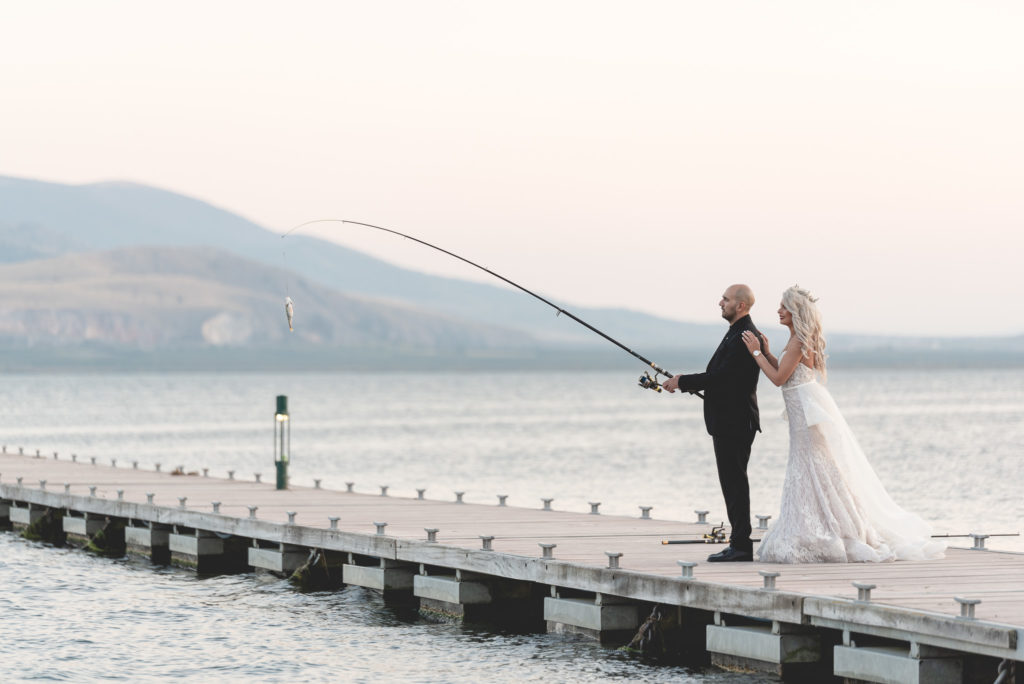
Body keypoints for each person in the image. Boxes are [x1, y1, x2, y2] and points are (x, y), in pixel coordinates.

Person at [741, 285, 945, 563]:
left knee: (809, 464)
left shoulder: (798, 341)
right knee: (816, 465)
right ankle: (832, 521)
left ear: (795, 311)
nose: (778, 310)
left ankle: (827, 527)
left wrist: (755, 354)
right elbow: (786, 372)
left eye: (783, 307)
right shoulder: (799, 339)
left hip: (804, 410)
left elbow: (778, 379)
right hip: (804, 406)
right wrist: (765, 350)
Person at [663, 284, 762, 562]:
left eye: (726, 299)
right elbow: (722, 377)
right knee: (732, 482)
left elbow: (721, 377)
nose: (720, 303)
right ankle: (738, 542)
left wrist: (682, 381)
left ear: (740, 306)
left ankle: (741, 545)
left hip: (735, 422)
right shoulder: (738, 333)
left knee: (734, 484)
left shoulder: (744, 335)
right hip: (731, 420)